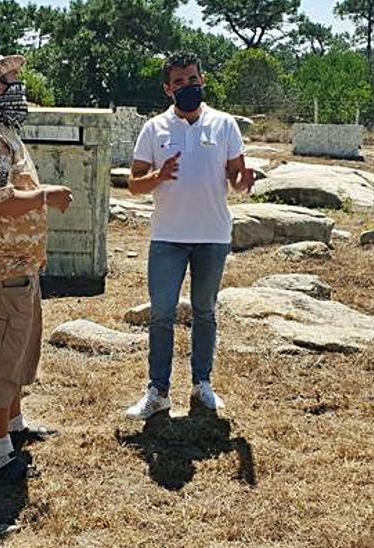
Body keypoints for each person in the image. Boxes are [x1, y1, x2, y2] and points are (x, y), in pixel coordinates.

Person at [0, 54, 74, 480]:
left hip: (18, 266)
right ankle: (1, 452)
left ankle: (16, 427)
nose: (20, 88)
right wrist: (48, 196)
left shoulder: (4, 133)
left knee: (18, 352)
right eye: (11, 81)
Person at [123, 51, 255, 421]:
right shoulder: (154, 129)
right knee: (162, 314)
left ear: (203, 81)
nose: (187, 87)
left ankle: (202, 384)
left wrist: (244, 182)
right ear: (167, 89)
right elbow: (134, 185)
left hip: (212, 235)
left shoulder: (225, 125)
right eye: (179, 82)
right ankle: (158, 391)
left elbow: (236, 176)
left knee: (205, 312)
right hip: (168, 237)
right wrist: (158, 177)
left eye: (192, 79)